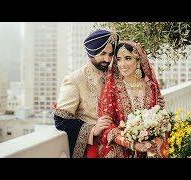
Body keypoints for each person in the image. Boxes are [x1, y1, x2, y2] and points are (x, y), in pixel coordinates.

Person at [53, 30, 165, 158]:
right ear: (91, 53)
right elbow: (61, 120)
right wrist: (92, 129)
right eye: (103, 54)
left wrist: (156, 104)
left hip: (128, 143)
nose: (107, 59)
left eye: (111, 54)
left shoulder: (117, 73)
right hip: (98, 147)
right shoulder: (74, 79)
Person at [93, 41, 170, 158]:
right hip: (122, 151)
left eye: (128, 58)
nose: (122, 64)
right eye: (118, 59)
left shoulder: (151, 86)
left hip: (150, 151)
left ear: (138, 60)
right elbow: (107, 127)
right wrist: (132, 144)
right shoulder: (112, 88)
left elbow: (159, 121)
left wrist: (154, 143)